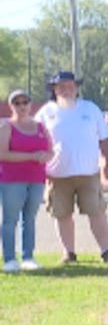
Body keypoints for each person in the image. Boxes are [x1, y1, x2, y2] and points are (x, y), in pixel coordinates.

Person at [35, 71, 108, 264]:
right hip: (57, 174)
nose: (66, 89)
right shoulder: (46, 112)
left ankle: (106, 250)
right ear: (54, 90)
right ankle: (69, 253)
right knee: (61, 214)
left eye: (70, 85)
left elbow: (104, 137)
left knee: (96, 211)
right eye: (61, 86)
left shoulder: (90, 109)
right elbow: (35, 140)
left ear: (76, 87)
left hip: (88, 172)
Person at [1, 90, 52, 272]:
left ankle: (28, 257)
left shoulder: (40, 126)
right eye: (17, 103)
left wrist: (45, 156)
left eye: (25, 102)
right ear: (11, 106)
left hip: (36, 179)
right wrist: (31, 156)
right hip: (12, 180)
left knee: (29, 219)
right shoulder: (6, 126)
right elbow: (3, 154)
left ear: (30, 104)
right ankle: (9, 259)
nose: (22, 106)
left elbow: (51, 150)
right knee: (10, 219)